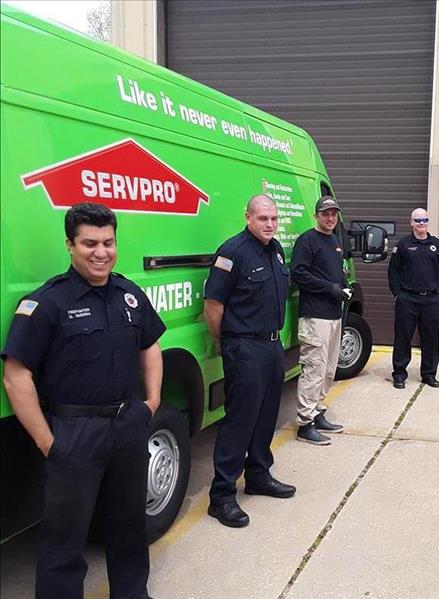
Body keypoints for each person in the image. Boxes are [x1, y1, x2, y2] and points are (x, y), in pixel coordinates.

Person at [1, 203, 165, 599]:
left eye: (108, 242)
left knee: (129, 526)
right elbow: (16, 375)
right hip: (74, 434)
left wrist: (152, 402)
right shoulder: (47, 303)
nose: (101, 252)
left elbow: (151, 345)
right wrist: (48, 441)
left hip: (127, 425)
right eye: (89, 243)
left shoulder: (129, 293)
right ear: (70, 245)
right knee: (64, 539)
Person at [204, 194, 295, 529]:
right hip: (243, 347)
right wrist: (225, 341)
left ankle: (258, 475)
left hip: (271, 346)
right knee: (240, 420)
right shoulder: (232, 252)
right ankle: (222, 496)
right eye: (263, 219)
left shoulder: (274, 251)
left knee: (266, 414)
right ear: (248, 217)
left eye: (273, 219)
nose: (270, 224)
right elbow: (214, 306)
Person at [291, 196, 349, 446]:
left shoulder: (333, 240)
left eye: (334, 214)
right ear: (316, 216)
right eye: (325, 214)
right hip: (315, 317)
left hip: (333, 315)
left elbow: (334, 272)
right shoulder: (307, 240)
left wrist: (344, 286)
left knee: (328, 369)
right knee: (314, 370)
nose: (330, 218)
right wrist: (330, 289)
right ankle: (305, 424)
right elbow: (299, 274)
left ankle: (317, 411)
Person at [388, 208, 439, 389]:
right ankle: (399, 374)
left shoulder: (436, 245)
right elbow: (393, 271)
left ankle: (429, 375)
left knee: (430, 338)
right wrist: (398, 294)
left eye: (424, 220)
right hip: (408, 299)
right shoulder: (403, 245)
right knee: (403, 337)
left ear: (427, 222)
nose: (421, 224)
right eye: (418, 220)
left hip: (432, 300)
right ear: (411, 223)